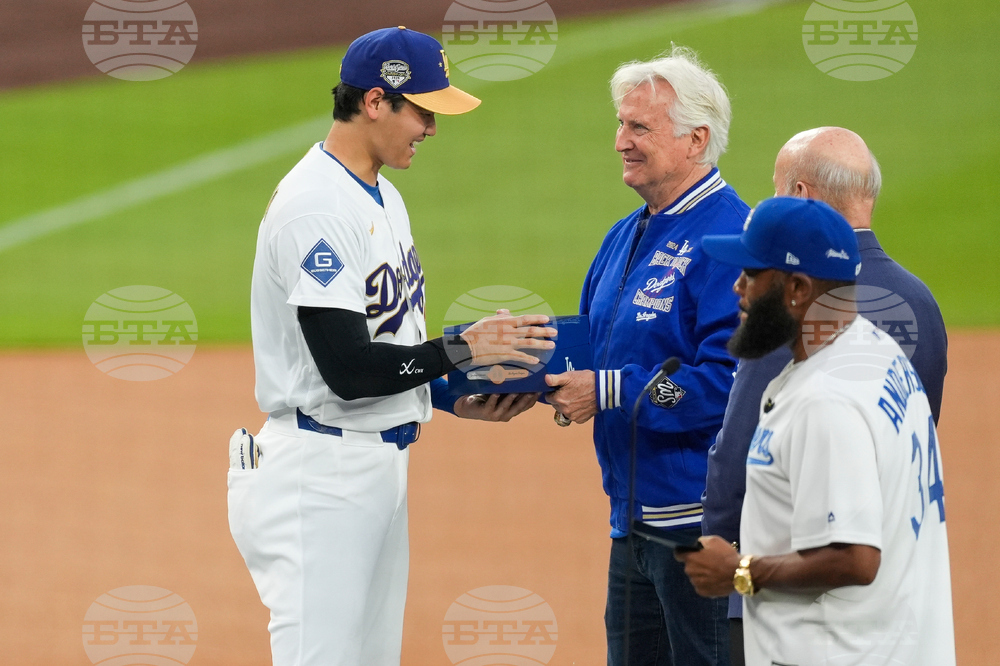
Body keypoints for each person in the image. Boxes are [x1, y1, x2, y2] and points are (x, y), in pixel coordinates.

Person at [228, 27, 555, 666]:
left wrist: (449, 394)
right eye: (423, 109)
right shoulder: (317, 206)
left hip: (374, 467)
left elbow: (390, 345)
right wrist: (461, 351)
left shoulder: (382, 194)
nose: (432, 126)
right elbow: (348, 368)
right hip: (320, 475)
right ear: (375, 102)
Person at [700, 126, 948, 665]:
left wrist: (737, 571)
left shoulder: (824, 398)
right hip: (897, 634)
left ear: (796, 290)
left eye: (750, 275)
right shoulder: (877, 352)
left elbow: (854, 559)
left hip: (837, 646)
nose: (737, 291)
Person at [546, 46, 746, 666]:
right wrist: (519, 371)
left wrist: (608, 391)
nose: (620, 141)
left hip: (699, 525)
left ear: (696, 140)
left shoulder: (730, 238)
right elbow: (591, 345)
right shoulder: (626, 234)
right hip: (631, 521)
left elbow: (727, 384)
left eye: (639, 127)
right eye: (621, 124)